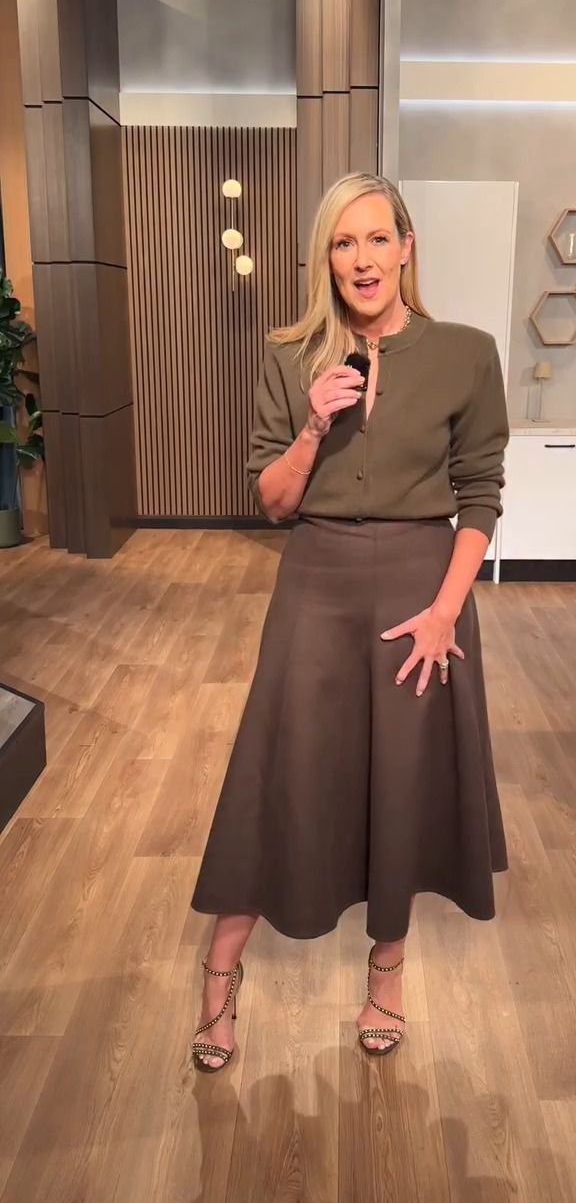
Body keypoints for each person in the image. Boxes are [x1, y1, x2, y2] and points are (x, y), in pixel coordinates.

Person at [190, 171, 509, 1070]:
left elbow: (481, 493)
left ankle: (387, 977)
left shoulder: (467, 353)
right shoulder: (290, 356)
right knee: (277, 771)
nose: (361, 259)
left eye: (376, 238)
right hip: (316, 586)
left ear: (406, 247)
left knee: (401, 778)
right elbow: (272, 502)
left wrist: (446, 613)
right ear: (325, 259)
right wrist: (310, 428)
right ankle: (220, 976)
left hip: (422, 593)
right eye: (343, 242)